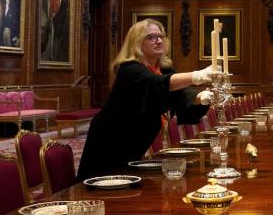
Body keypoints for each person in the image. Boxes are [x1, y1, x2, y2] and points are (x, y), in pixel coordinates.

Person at [77, 20, 217, 180]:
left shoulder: (164, 69)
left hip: (135, 144)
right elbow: (155, 84)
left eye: (161, 36)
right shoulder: (129, 69)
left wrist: (201, 97)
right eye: (151, 37)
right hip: (110, 143)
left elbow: (181, 95)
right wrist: (197, 76)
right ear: (137, 43)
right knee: (105, 186)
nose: (158, 40)